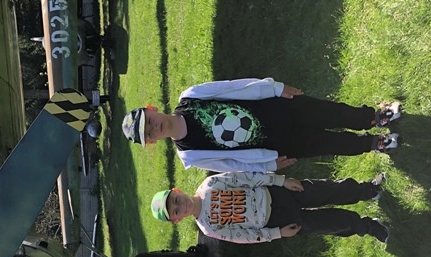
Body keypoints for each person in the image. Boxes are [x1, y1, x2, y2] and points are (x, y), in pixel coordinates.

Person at [122, 77, 402, 173]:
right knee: (328, 144)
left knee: (330, 113)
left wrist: (274, 88)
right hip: (277, 144)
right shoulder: (190, 154)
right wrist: (267, 165)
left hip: (279, 108)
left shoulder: (191, 97)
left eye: (150, 121)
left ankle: (373, 118)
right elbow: (230, 165)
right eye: (149, 133)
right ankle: (373, 143)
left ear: (152, 109)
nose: (154, 127)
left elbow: (233, 87)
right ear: (152, 142)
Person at [150, 171, 390, 243]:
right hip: (274, 221)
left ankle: (366, 190)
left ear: (177, 191)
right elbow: (243, 236)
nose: (180, 205)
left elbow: (246, 177)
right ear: (177, 220)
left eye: (176, 200)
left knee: (326, 190)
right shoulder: (208, 227)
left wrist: (281, 181)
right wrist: (277, 233)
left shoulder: (210, 185)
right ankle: (367, 226)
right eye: (176, 211)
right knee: (327, 223)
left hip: (277, 192)